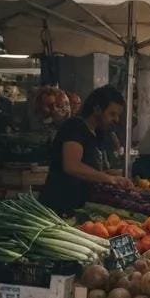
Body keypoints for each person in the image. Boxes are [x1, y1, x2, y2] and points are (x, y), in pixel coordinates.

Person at [39, 86, 131, 214]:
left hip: (80, 207)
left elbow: (90, 169)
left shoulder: (97, 133)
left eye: (118, 115)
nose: (116, 119)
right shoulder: (75, 127)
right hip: (59, 207)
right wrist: (110, 179)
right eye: (112, 114)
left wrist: (113, 175)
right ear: (97, 109)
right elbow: (72, 166)